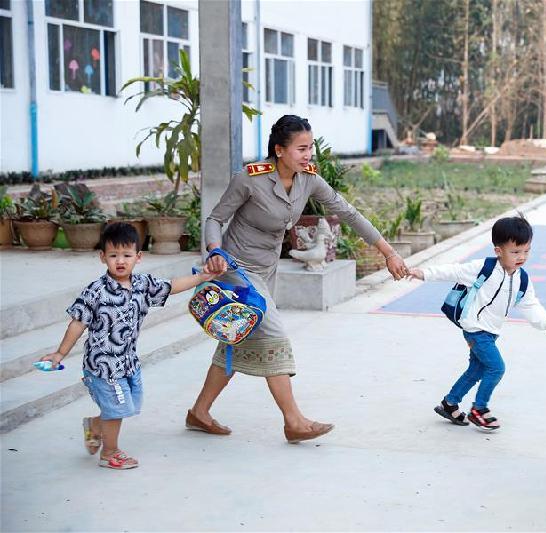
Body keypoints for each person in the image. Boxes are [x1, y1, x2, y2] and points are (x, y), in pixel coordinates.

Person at [189, 114, 408, 443]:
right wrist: (214, 251)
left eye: (311, 148)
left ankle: (199, 412)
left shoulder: (309, 179)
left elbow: (349, 213)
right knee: (272, 332)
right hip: (235, 268)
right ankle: (294, 421)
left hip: (266, 269)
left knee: (238, 336)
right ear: (280, 150)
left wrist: (388, 252)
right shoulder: (250, 179)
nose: (308, 155)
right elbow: (215, 219)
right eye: (301, 149)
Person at [39, 222, 218, 469]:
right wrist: (60, 353)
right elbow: (77, 323)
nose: (120, 261)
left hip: (128, 361)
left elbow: (171, 286)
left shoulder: (142, 285)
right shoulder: (95, 291)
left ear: (138, 257)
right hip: (103, 366)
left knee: (130, 405)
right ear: (102, 257)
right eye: (113, 255)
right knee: (118, 408)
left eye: (126, 255)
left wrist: (202, 277)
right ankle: (109, 453)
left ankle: (95, 425)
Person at [406, 215, 546, 431]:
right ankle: (479, 408)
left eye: (526, 251)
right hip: (475, 329)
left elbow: (530, 304)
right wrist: (423, 273)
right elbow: (454, 271)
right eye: (515, 252)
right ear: (499, 250)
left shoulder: (521, 279)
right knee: (496, 367)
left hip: (491, 332)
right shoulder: (483, 268)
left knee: (477, 369)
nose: (522, 257)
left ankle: (449, 403)